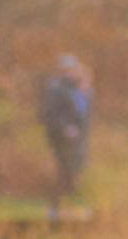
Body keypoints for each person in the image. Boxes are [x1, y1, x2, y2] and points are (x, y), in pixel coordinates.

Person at [39, 55, 94, 221]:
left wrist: (85, 92)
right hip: (61, 137)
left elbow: (84, 113)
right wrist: (65, 128)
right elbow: (49, 114)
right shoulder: (55, 88)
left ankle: (70, 207)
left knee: (76, 171)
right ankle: (54, 208)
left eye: (73, 69)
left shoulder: (80, 87)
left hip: (79, 137)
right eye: (67, 69)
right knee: (65, 171)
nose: (71, 72)